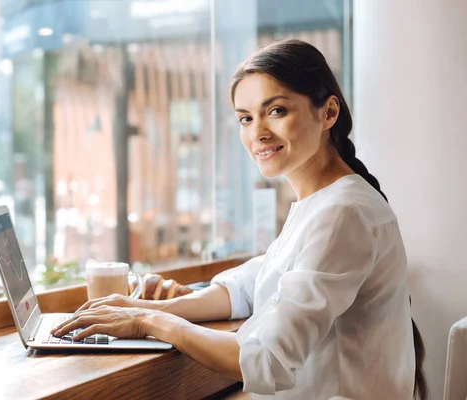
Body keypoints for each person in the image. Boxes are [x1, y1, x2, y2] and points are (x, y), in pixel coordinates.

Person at [51, 39, 428, 400]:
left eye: (276, 111)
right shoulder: (323, 203)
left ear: (328, 112)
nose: (258, 133)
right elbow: (252, 287)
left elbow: (267, 360)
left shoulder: (343, 212)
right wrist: (145, 308)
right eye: (245, 118)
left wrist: (151, 324)